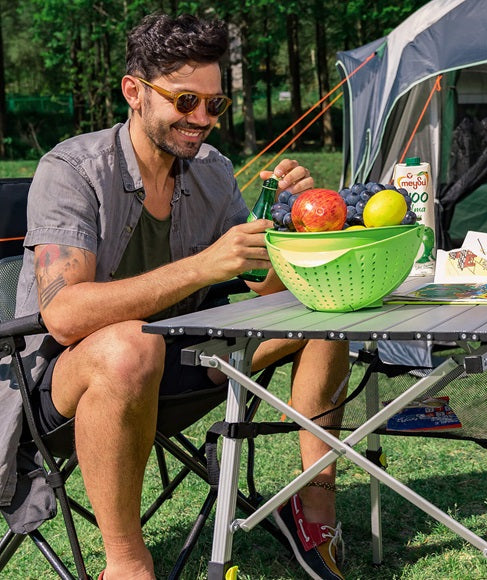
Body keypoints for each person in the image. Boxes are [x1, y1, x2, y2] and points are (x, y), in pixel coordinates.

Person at [1, 13, 350, 580]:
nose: (202, 120)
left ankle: (313, 504)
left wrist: (292, 225)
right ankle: (128, 566)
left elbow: (265, 284)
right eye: (186, 101)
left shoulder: (211, 170)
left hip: (184, 363)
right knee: (128, 346)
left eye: (215, 105)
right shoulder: (71, 169)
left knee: (328, 312)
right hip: (65, 386)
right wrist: (203, 266)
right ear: (134, 93)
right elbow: (62, 316)